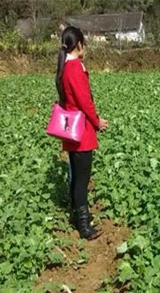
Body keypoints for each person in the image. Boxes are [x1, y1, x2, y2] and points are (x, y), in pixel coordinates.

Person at [55, 26, 109, 240]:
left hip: (71, 129)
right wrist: (97, 122)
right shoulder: (75, 68)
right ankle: (84, 225)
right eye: (84, 44)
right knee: (81, 179)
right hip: (81, 131)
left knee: (76, 176)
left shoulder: (65, 67)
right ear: (79, 45)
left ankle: (79, 216)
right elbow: (84, 101)